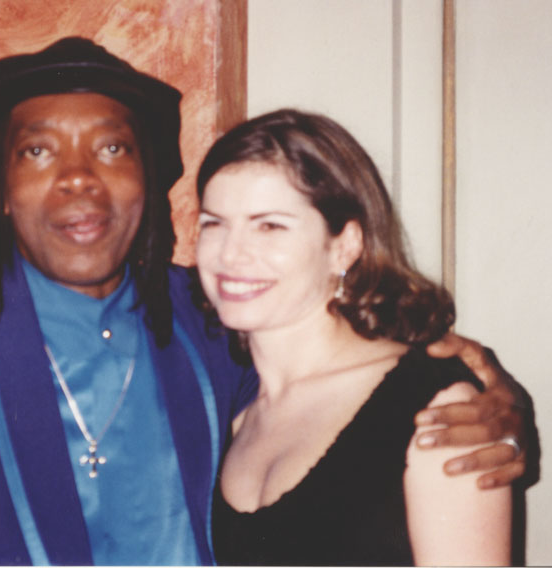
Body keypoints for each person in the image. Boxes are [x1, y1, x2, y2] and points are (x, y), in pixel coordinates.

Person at [0, 37, 527, 565]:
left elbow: (363, 384)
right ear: (1, 192)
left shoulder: (217, 322)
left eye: (112, 148)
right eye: (38, 151)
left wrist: (491, 394)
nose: (78, 178)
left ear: (146, 181)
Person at [195, 109, 517, 565]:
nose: (231, 253)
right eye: (213, 223)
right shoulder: (230, 407)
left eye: (270, 226)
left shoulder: (437, 408)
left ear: (344, 246)